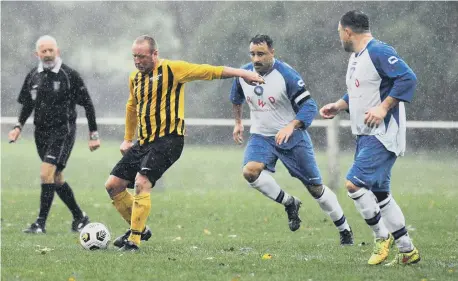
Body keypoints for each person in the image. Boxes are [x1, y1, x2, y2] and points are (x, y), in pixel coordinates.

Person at [105, 35, 265, 251]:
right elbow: (132, 107)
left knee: (142, 182)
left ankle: (133, 241)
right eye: (134, 56)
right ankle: (141, 229)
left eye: (142, 57)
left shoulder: (173, 69)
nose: (137, 61)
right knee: (113, 185)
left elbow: (209, 71)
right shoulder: (135, 78)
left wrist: (244, 73)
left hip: (169, 140)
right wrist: (127, 138)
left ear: (155, 54)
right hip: (144, 142)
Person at [230, 34, 354, 245]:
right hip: (261, 136)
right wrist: (238, 122)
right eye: (252, 54)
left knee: (316, 189)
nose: (256, 59)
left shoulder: (286, 75)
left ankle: (344, 229)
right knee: (250, 171)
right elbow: (236, 98)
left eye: (261, 54)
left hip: (293, 138)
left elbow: (309, 107)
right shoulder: (243, 74)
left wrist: (291, 125)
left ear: (272, 53)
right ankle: (290, 203)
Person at [319, 10, 421, 265]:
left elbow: (407, 78)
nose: (339, 38)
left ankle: (381, 236)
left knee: (354, 184)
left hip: (383, 134)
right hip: (365, 135)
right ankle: (408, 250)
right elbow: (360, 89)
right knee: (380, 194)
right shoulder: (358, 57)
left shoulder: (378, 51)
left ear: (347, 31)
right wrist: (339, 105)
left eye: (339, 33)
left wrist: (383, 108)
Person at [8, 35, 100, 234]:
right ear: (37, 54)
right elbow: (27, 105)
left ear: (57, 51)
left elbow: (88, 104)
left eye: (51, 50)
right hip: (40, 133)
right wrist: (18, 126)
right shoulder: (33, 75)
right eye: (44, 51)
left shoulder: (69, 75)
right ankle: (80, 217)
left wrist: (93, 133)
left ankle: (40, 223)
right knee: (55, 178)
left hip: (62, 132)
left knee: (45, 173)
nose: (48, 54)